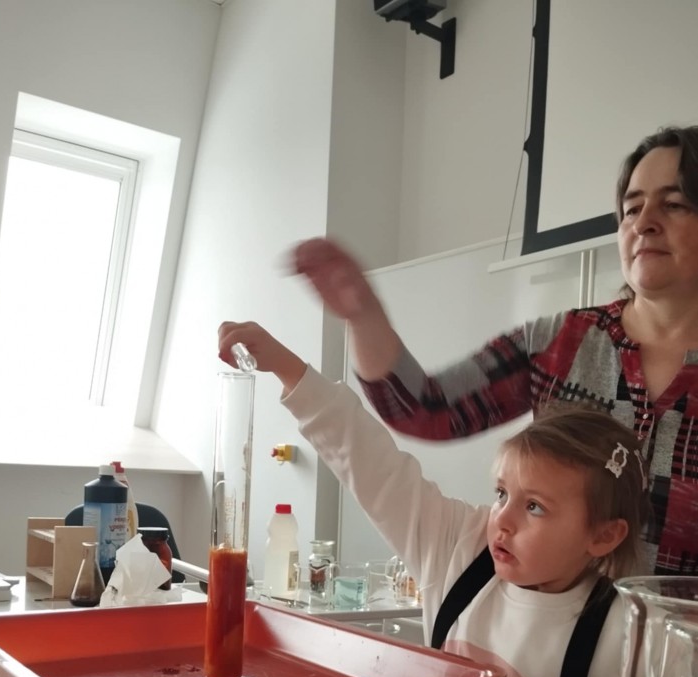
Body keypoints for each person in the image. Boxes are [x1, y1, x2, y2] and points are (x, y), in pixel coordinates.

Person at [291, 125, 698, 578]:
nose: (643, 223)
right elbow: (428, 409)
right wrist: (363, 313)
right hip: (552, 620)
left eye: (674, 204)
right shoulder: (561, 340)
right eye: (632, 208)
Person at [218, 321, 650, 677]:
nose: (503, 520)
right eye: (502, 494)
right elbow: (371, 465)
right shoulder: (460, 546)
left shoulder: (630, 634)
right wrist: (286, 366)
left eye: (535, 507)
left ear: (603, 535)